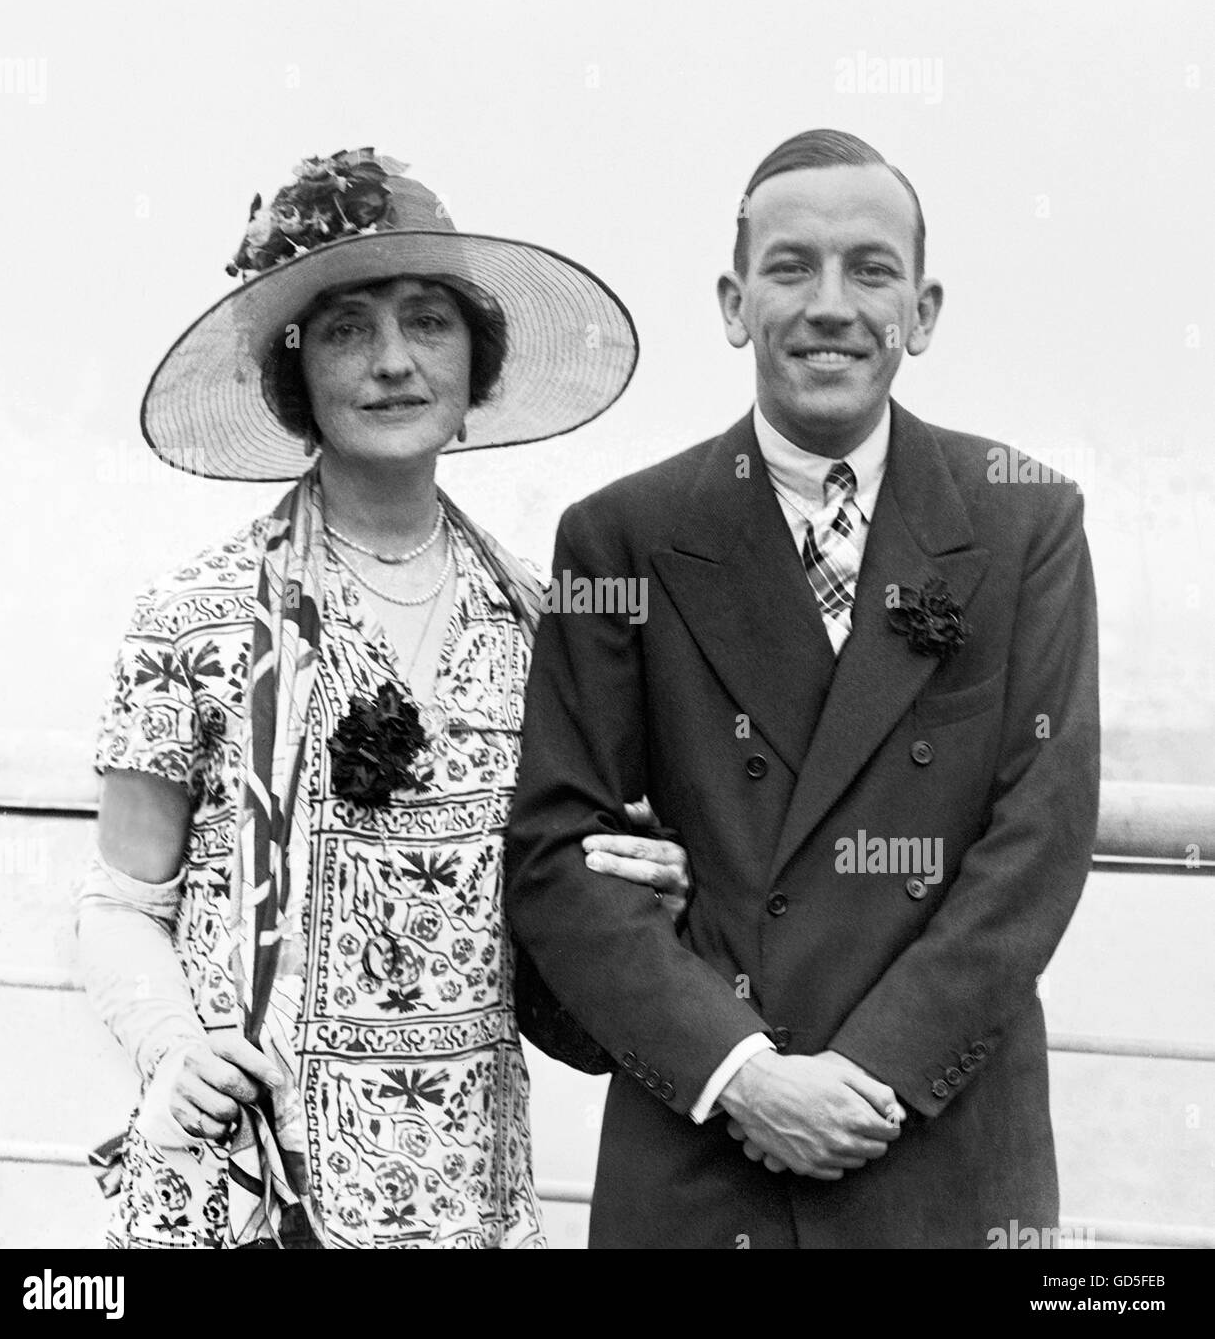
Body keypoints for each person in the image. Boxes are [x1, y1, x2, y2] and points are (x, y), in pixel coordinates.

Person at [76, 147, 688, 1250]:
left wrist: (649, 887)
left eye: (428, 321)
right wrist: (174, 1046)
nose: (393, 362)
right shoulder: (193, 618)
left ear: (476, 361)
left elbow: (567, 915)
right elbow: (120, 904)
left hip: (469, 1193)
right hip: (248, 1192)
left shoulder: (544, 630)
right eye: (349, 327)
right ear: (294, 371)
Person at [506, 128, 1100, 1248]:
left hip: (940, 1152)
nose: (830, 303)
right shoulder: (620, 535)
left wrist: (867, 1076)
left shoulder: (1026, 520)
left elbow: (1042, 838)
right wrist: (742, 1074)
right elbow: (554, 850)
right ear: (735, 303)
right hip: (702, 1147)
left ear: (922, 312)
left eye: (869, 269)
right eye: (791, 267)